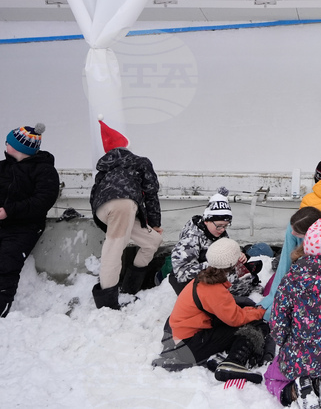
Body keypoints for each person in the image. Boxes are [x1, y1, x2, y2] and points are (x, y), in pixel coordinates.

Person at [153, 238, 270, 383]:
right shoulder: (214, 290)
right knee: (253, 326)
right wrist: (259, 312)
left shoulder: (204, 278)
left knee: (242, 318)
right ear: (232, 263)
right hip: (188, 346)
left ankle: (219, 356)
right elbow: (236, 319)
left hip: (178, 337)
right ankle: (233, 363)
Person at [260, 155, 321, 318]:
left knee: (290, 230)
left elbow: (300, 227)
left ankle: (277, 292)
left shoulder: (309, 199)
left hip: (312, 253)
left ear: (317, 177)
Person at [267, 218, 321, 408]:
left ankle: (302, 383)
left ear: (306, 245)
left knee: (272, 374)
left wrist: (280, 337)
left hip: (299, 348)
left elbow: (280, 311)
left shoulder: (294, 275)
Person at [89, 118, 162, 309]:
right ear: (126, 146)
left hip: (103, 208)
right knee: (113, 251)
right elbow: (151, 194)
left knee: (152, 241)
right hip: (124, 205)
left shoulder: (104, 168)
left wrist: (103, 222)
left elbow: (94, 194)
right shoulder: (141, 162)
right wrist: (154, 223)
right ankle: (108, 303)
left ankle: (130, 288)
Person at [0, 123, 59, 317]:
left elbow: (41, 201)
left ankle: (2, 302)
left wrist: (9, 211)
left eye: (8, 142)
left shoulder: (44, 171)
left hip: (25, 226)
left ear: (19, 148)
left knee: (8, 258)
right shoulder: (3, 167)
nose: (5, 145)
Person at [168, 188, 260, 297]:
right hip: (191, 284)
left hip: (211, 273)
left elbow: (226, 246)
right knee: (231, 292)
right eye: (219, 226)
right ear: (207, 221)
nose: (222, 229)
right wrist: (215, 264)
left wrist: (239, 254)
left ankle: (245, 280)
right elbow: (181, 274)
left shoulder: (217, 231)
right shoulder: (190, 240)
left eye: (226, 226)